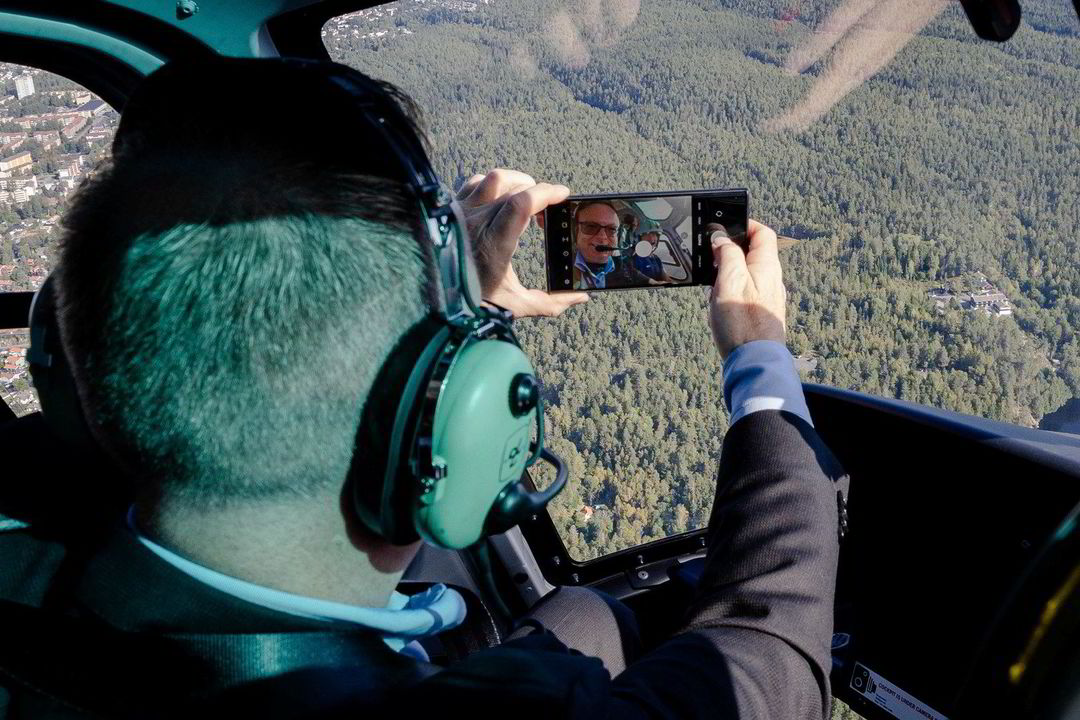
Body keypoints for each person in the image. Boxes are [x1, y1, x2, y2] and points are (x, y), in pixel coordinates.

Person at [17, 58, 847, 719]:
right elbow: (765, 656)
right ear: (452, 424)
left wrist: (464, 295)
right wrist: (759, 358)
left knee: (591, 619)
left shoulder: (25, 554)